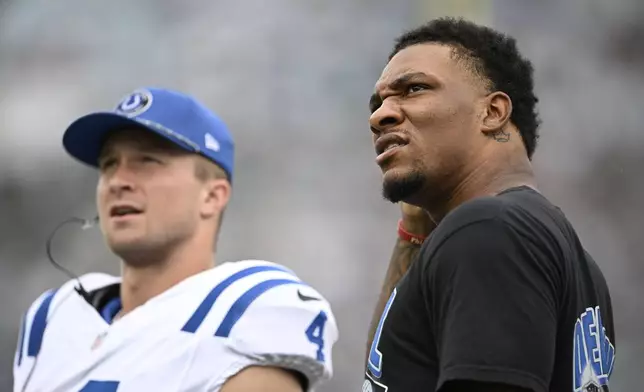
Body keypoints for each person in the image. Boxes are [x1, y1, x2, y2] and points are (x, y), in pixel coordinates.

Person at [13, 88, 338, 392]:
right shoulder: (53, 318)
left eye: (148, 161)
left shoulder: (249, 310)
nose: (117, 181)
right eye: (109, 164)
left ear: (212, 195)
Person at [362, 18, 615, 392]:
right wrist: (415, 230)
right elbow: (381, 379)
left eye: (414, 89)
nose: (379, 116)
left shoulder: (488, 231)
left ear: (493, 112)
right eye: (378, 102)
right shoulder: (557, 250)